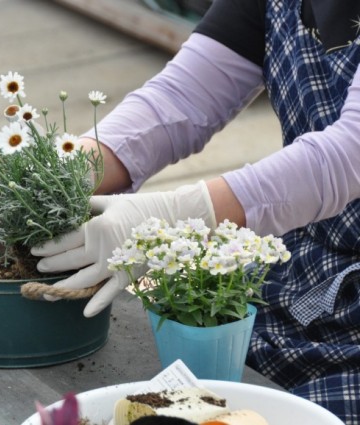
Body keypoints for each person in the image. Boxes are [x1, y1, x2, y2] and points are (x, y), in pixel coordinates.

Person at [30, 0, 360, 423]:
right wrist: (62, 173)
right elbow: (184, 96)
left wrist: (178, 213)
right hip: (307, 268)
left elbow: (347, 158)